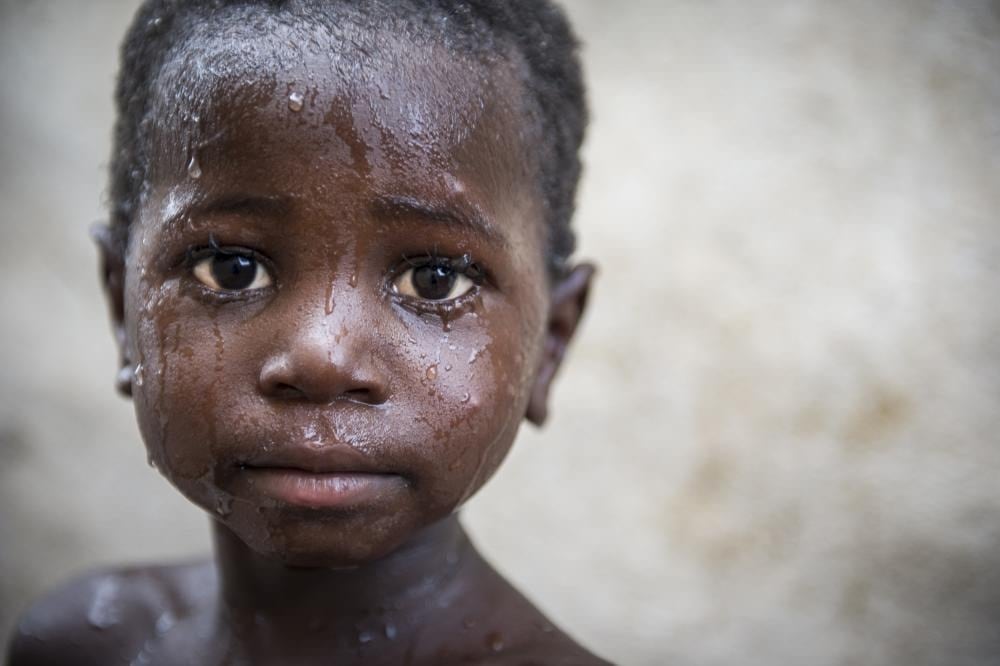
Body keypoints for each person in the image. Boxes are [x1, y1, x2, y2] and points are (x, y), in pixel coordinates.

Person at [7, 1, 606, 663]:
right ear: (125, 311)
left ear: (549, 342)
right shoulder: (82, 645)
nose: (321, 354)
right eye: (230, 269)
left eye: (435, 280)